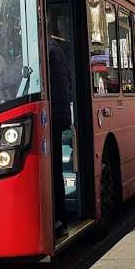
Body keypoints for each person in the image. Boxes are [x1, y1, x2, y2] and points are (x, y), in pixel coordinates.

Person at [47, 36, 73, 237]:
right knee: (55, 170)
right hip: (61, 115)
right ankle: (61, 220)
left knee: (51, 172)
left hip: (52, 117)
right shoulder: (58, 51)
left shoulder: (45, 50)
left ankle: (56, 220)